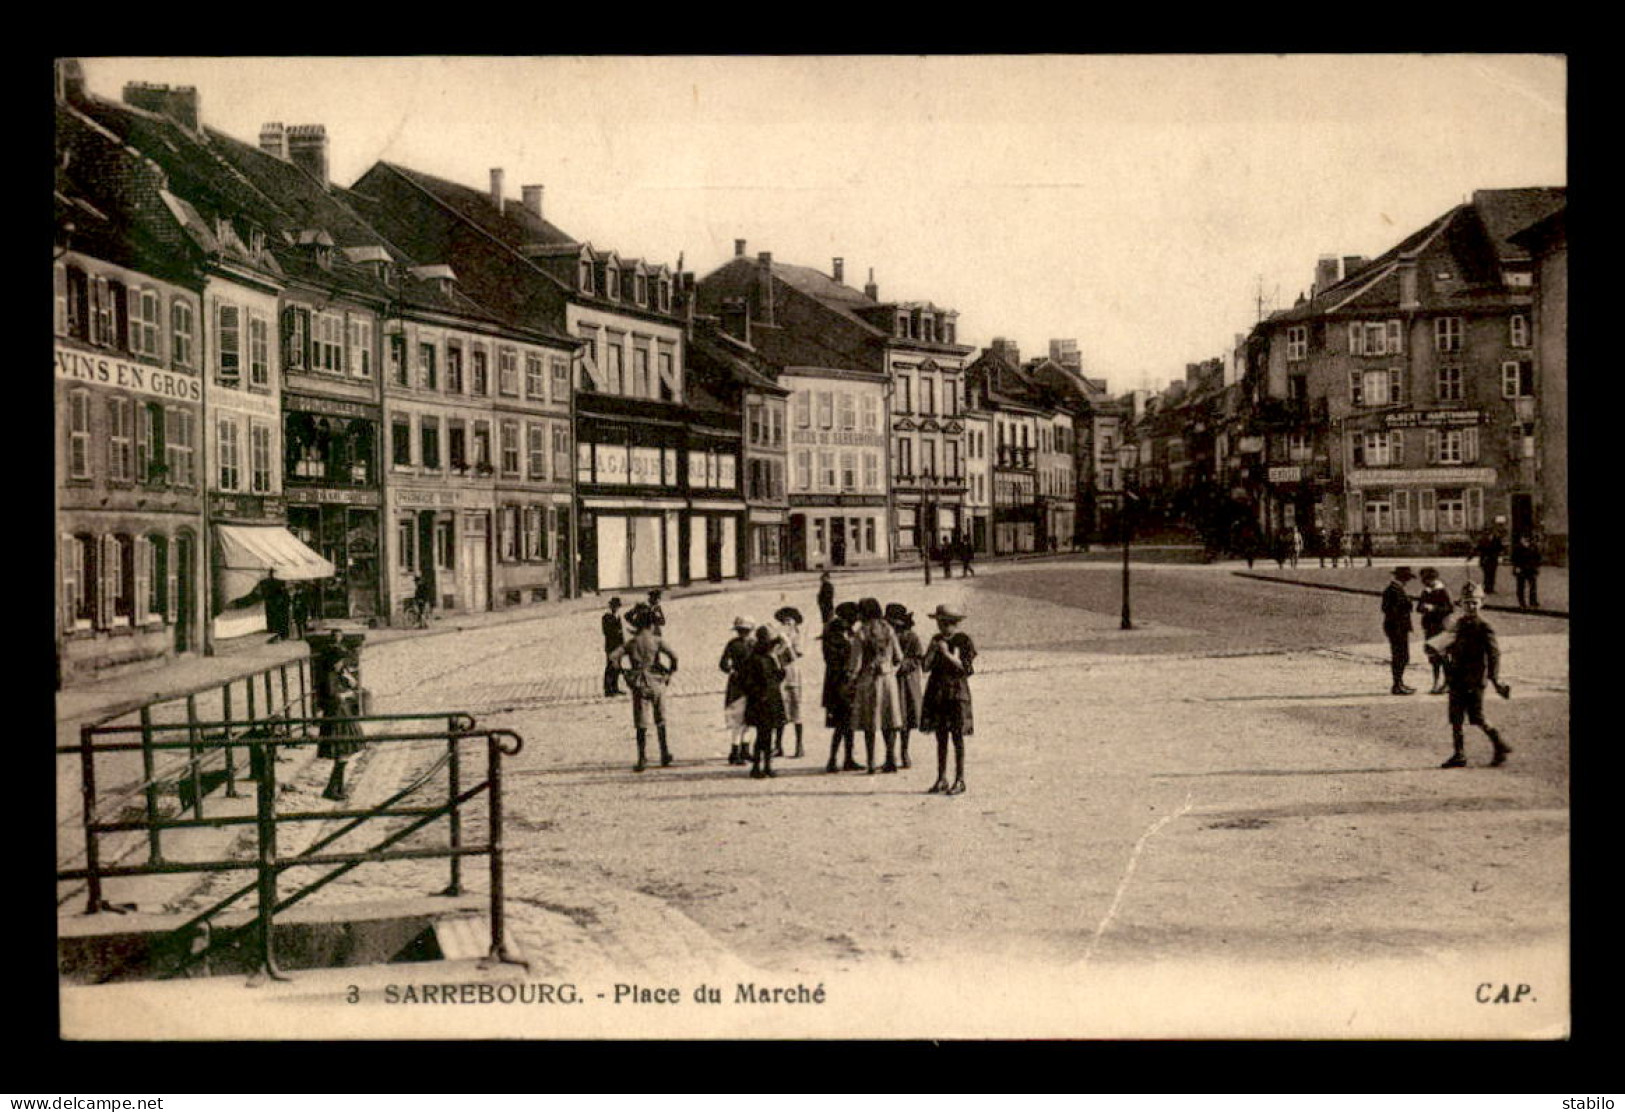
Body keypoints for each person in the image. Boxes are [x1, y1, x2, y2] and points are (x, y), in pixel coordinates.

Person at [1427, 582, 1512, 769]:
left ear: (1481, 603)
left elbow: (1494, 654)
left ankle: (1500, 745)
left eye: (1474, 602)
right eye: (1467, 603)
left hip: (1474, 679)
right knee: (1455, 718)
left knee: (1477, 717)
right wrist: (1440, 651)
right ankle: (1459, 754)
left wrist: (1495, 679)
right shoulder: (1459, 624)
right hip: (1456, 677)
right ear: (1461, 605)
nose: (1471, 606)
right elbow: (1451, 644)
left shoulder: (1484, 626)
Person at [607, 605, 679, 772]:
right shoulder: (656, 640)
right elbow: (674, 657)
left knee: (641, 722)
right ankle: (664, 754)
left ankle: (642, 758)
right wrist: (669, 674)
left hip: (639, 683)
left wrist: (624, 673)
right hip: (656, 682)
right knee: (660, 719)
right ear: (651, 625)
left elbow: (613, 658)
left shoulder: (632, 642)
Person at [921, 603, 976, 796]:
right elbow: (925, 667)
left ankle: (960, 779)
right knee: (941, 736)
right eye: (940, 623)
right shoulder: (935, 640)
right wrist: (932, 651)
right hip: (938, 692)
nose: (942, 627)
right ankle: (941, 778)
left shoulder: (963, 641)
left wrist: (947, 654)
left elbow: (966, 669)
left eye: (946, 624)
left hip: (956, 691)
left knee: (957, 736)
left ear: (955, 624)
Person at [846, 597, 904, 774]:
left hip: (869, 679)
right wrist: (890, 669)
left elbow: (855, 663)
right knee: (889, 719)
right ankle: (891, 759)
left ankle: (871, 762)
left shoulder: (862, 632)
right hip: (888, 679)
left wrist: (851, 680)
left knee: (870, 722)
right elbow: (899, 657)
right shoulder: (889, 629)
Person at [314, 635, 365, 801]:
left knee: (344, 755)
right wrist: (347, 694)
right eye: (340, 661)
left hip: (342, 715)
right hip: (336, 717)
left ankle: (336, 788)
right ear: (333, 661)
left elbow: (354, 685)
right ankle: (332, 789)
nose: (342, 664)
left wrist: (348, 678)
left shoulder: (336, 674)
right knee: (342, 755)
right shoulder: (328, 676)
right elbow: (332, 697)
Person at [737, 625, 788, 779]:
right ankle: (760, 766)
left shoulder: (757, 657)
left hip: (765, 700)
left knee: (765, 735)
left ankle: (763, 766)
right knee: (764, 735)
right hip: (764, 701)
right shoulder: (760, 658)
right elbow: (778, 676)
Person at [821, 601, 861, 772]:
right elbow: (833, 659)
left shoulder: (845, 633)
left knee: (847, 722)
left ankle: (846, 758)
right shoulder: (835, 635)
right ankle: (834, 759)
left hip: (842, 682)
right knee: (841, 723)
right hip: (838, 683)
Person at [888, 602, 926, 770]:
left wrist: (902, 666)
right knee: (889, 719)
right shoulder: (887, 636)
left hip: (906, 682)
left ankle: (904, 750)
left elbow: (918, 659)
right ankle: (890, 753)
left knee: (905, 718)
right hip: (890, 680)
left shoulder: (912, 637)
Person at [719, 616, 756, 765]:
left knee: (748, 719)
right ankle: (735, 752)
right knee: (739, 720)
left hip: (744, 684)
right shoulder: (748, 644)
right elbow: (723, 664)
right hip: (742, 685)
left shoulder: (735, 644)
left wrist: (730, 670)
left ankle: (744, 749)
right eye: (741, 631)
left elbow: (723, 664)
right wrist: (731, 670)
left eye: (745, 631)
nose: (743, 634)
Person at [772, 607, 807, 758]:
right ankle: (778, 746)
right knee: (780, 711)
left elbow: (794, 656)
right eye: (784, 620)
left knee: (796, 711)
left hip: (793, 675)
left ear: (795, 622)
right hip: (780, 676)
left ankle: (799, 745)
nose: (786, 622)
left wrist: (786, 645)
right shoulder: (778, 636)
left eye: (789, 619)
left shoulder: (798, 636)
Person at [1415, 568, 1454, 695]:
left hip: (1441, 628)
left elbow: (1450, 608)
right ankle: (1436, 682)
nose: (1424, 583)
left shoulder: (1443, 591)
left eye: (1426, 580)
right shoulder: (1426, 591)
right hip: (1429, 628)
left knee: (1443, 657)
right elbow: (1419, 608)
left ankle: (1448, 682)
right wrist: (1423, 608)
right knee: (1433, 657)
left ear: (1433, 579)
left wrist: (1433, 608)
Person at [1382, 565, 1418, 695]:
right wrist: (1406, 606)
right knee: (1400, 656)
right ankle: (1397, 685)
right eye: (1407, 578)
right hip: (1396, 628)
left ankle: (1399, 682)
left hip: (1399, 627)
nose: (1407, 581)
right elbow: (1388, 609)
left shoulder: (1396, 589)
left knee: (1402, 656)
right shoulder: (1393, 590)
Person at [601, 597, 627, 697]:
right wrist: (616, 632)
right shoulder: (606, 617)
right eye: (614, 606)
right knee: (610, 667)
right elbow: (605, 631)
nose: (616, 608)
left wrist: (623, 644)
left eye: (617, 606)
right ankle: (608, 689)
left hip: (618, 646)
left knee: (617, 667)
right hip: (611, 645)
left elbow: (621, 633)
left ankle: (615, 688)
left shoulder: (618, 617)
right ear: (611, 606)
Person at [1471, 528, 1505, 595]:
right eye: (1487, 534)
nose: (1489, 536)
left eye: (1490, 534)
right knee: (1486, 575)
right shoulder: (1483, 540)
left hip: (1493, 560)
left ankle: (1491, 588)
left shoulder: (1496, 540)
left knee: (1492, 575)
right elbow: (1477, 549)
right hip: (1485, 561)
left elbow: (1501, 548)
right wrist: (1470, 557)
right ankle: (1487, 588)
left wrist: (1500, 552)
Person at [1511, 535, 1542, 609]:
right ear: (1521, 539)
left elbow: (1538, 557)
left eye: (1527, 539)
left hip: (1531, 569)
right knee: (1520, 586)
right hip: (1521, 569)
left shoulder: (1533, 547)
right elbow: (1514, 558)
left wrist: (1537, 567)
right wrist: (1516, 567)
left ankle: (1533, 601)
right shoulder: (1517, 548)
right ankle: (1522, 603)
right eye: (1524, 538)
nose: (1525, 540)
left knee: (1533, 586)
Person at [262, 570, 291, 643]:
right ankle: (281, 635)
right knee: (279, 622)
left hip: (275, 606)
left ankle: (278, 636)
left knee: (276, 622)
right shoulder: (278, 583)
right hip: (277, 606)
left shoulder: (267, 583)